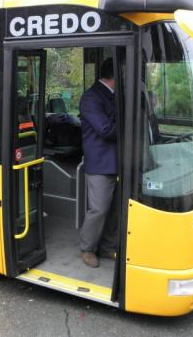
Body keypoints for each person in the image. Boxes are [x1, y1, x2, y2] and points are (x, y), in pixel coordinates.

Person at [79, 59, 118, 268]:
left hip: (118, 162)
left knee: (114, 210)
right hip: (101, 163)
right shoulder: (91, 97)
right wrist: (132, 122)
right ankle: (87, 249)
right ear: (115, 75)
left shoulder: (113, 95)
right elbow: (105, 129)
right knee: (99, 209)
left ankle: (108, 246)